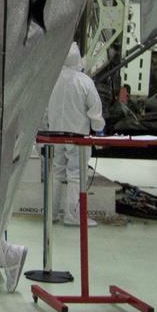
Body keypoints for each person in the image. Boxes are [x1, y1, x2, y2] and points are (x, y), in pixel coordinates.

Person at [46, 41, 105, 226]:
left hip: (55, 136)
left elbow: (44, 111)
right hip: (78, 139)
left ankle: (50, 214)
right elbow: (95, 111)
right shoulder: (84, 82)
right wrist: (99, 130)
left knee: (55, 174)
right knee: (76, 175)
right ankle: (72, 216)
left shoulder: (51, 80)